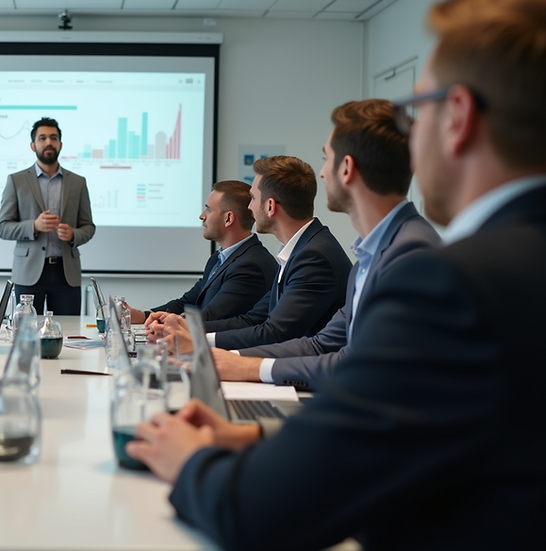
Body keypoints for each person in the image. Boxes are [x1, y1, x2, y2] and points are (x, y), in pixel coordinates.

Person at [126, 0, 546, 548]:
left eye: (419, 110)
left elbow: (264, 509)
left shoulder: (452, 283)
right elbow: (413, 426)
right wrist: (253, 432)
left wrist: (190, 459)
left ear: (460, 116)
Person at [210, 99, 441, 392]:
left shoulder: (410, 256)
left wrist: (248, 367)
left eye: (325, 158)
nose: (321, 173)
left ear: (346, 168)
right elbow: (322, 345)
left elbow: (361, 367)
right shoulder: (369, 258)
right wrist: (232, 360)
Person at [154, 156, 351, 353]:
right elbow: (253, 319)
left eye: (254, 198)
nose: (249, 207)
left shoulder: (314, 257)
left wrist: (197, 340)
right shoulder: (300, 249)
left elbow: (274, 333)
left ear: (270, 206)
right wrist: (188, 328)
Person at [125, 180, 278, 324]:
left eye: (208, 209)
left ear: (228, 218)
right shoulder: (219, 258)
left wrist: (168, 323)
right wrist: (143, 316)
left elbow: (211, 317)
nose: (202, 216)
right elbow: (188, 302)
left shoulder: (250, 265)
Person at [0, 117, 96, 315]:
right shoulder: (16, 181)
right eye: (42, 138)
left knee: (69, 336)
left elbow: (88, 227)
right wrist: (33, 225)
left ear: (60, 144)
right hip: (28, 272)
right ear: (33, 145)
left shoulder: (78, 182)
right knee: (26, 333)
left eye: (53, 138)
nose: (48, 142)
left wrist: (73, 234)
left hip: (66, 273)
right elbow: (3, 227)